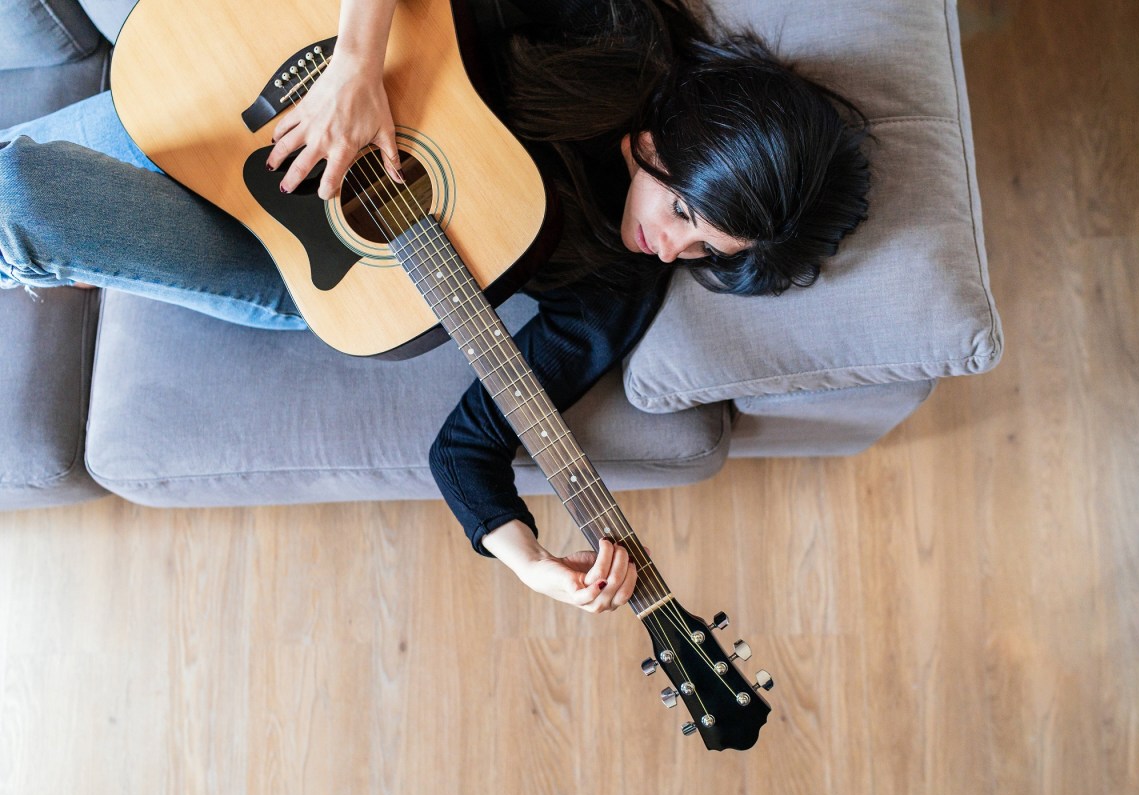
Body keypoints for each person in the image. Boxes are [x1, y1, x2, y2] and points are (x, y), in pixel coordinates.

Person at [0, 0, 871, 613]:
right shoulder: (605, 27)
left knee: (17, 204)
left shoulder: (619, 281)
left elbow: (473, 442)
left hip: (308, 259)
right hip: (254, 83)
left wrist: (525, 558)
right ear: (661, 141)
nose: (673, 251)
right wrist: (354, 67)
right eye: (683, 213)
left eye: (706, 254)